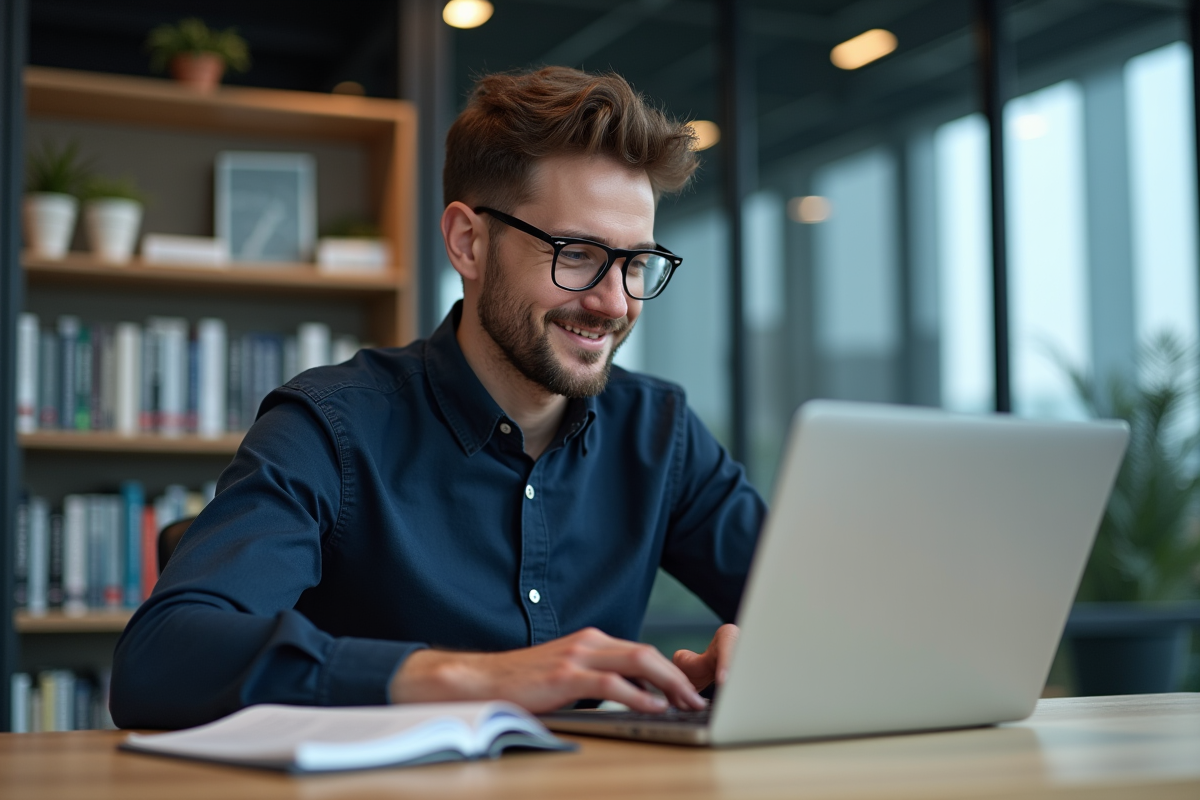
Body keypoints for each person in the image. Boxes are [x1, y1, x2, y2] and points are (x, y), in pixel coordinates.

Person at [110, 67, 766, 730]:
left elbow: (816, 609)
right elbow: (158, 661)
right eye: (576, 254)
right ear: (467, 242)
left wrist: (760, 655)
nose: (616, 303)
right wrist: (469, 678)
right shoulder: (330, 427)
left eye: (636, 264)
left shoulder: (661, 432)